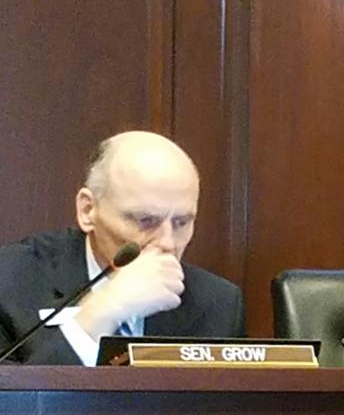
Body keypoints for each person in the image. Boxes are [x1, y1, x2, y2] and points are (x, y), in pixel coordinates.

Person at [0, 131, 245, 365]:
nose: (167, 243)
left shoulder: (216, 304)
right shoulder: (10, 280)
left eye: (181, 222)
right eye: (145, 220)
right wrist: (104, 311)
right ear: (88, 210)